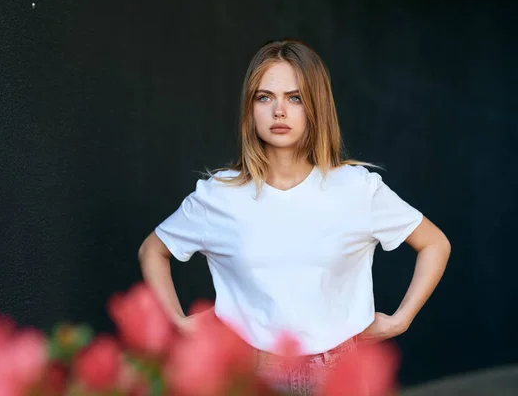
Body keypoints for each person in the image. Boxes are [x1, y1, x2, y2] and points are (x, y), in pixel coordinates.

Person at [138, 39, 451, 395]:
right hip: (249, 375)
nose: (279, 111)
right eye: (264, 97)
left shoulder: (356, 189)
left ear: (316, 106)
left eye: (295, 97)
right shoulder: (219, 195)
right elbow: (153, 250)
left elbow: (434, 243)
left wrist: (399, 320)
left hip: (341, 376)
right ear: (250, 108)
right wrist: (177, 321)